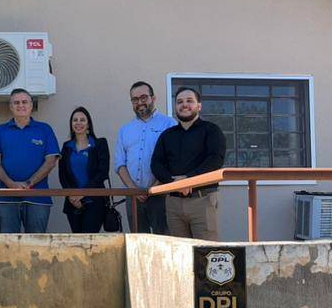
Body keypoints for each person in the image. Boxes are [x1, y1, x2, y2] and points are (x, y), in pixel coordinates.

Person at [151, 86, 226, 240]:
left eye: (189, 101)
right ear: (175, 107)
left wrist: (189, 180)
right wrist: (174, 183)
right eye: (180, 102)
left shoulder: (211, 130)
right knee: (178, 253)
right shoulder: (167, 135)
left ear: (199, 106)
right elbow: (156, 164)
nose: (184, 104)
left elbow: (215, 160)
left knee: (206, 251)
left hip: (203, 199)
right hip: (173, 203)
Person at [0, 88, 60, 233]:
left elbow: (51, 161)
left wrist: (29, 183)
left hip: (37, 197)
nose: (21, 105)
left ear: (31, 105)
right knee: (7, 245)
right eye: (16, 102)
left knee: (36, 246)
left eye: (24, 102)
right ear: (11, 106)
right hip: (6, 198)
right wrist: (11, 185)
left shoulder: (44, 130)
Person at [114, 81, 175, 233]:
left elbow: (172, 160)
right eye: (135, 99)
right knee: (137, 243)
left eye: (143, 97)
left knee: (164, 241)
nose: (139, 102)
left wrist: (153, 188)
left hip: (161, 194)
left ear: (153, 98)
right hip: (133, 196)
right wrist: (134, 189)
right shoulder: (125, 130)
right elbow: (119, 164)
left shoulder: (169, 124)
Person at [58, 106, 111, 233]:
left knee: (90, 242)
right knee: (77, 242)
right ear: (71, 124)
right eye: (75, 120)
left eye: (82, 120)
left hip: (94, 201)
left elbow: (102, 172)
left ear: (88, 124)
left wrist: (82, 193)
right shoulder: (66, 147)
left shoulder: (100, 144)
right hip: (73, 203)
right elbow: (62, 175)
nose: (78, 123)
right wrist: (71, 195)